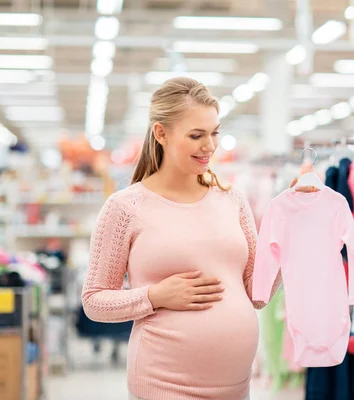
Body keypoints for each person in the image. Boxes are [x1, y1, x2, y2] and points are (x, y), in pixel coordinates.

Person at [81, 77, 291, 400]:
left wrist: (286, 242)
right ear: (161, 133)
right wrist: (155, 295)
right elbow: (94, 300)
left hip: (236, 388)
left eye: (214, 133)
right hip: (163, 386)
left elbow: (257, 294)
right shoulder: (125, 207)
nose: (209, 146)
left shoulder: (232, 200)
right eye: (196, 135)